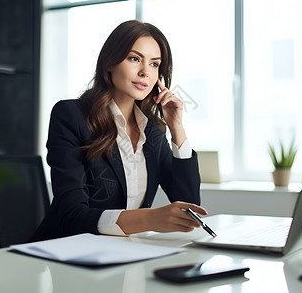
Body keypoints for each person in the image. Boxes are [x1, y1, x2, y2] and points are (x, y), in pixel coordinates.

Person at [31, 20, 207, 241]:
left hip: (122, 254)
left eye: (154, 64)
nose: (145, 72)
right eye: (135, 59)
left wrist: (176, 128)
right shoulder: (71, 115)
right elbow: (72, 216)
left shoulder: (152, 130)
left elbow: (188, 208)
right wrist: (150, 219)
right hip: (64, 253)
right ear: (109, 63)